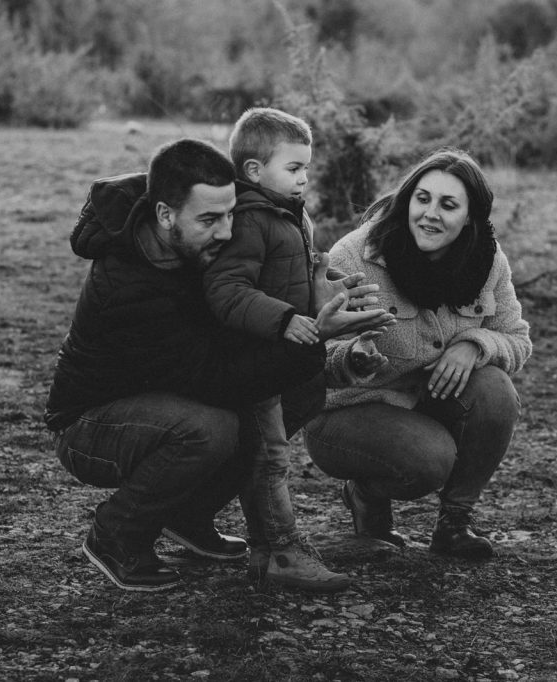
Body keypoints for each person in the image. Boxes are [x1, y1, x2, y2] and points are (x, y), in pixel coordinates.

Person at [44, 138, 392, 592]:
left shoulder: (193, 247)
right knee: (210, 429)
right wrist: (316, 337)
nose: (227, 231)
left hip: (165, 398)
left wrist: (311, 302)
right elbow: (217, 378)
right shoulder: (129, 285)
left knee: (298, 395)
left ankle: (187, 517)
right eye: (209, 219)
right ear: (165, 214)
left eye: (231, 214)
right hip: (90, 425)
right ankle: (116, 533)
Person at [305, 148, 533, 560]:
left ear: (470, 217)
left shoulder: (488, 261)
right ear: (407, 198)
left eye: (448, 205)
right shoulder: (355, 256)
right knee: (430, 460)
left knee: (496, 391)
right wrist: (353, 357)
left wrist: (474, 345)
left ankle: (454, 524)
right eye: (422, 198)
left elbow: (516, 339)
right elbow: (312, 351)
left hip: (425, 401)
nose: (430, 214)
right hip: (347, 412)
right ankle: (365, 494)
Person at [202, 108, 352, 592]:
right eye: (294, 168)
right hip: (252, 357)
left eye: (307, 167)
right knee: (269, 456)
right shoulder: (249, 220)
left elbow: (285, 280)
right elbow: (226, 289)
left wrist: (326, 290)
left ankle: (266, 551)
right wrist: (286, 319)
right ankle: (283, 550)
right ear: (253, 171)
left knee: (265, 453)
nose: (305, 178)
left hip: (275, 355)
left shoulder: (288, 214)